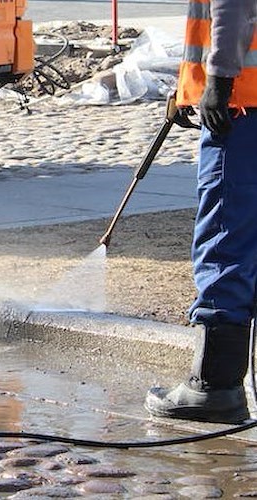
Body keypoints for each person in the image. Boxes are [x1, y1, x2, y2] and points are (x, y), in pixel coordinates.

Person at [145, 0, 257, 424]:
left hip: (242, 108)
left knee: (225, 236)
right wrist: (189, 88)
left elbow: (233, 10)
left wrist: (219, 83)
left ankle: (214, 386)